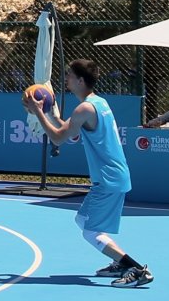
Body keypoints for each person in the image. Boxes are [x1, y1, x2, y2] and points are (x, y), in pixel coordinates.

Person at [25, 59, 153, 288]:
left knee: (90, 231)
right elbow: (71, 133)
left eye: (69, 75)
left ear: (81, 80)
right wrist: (51, 114)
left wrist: (37, 112)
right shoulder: (98, 103)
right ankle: (120, 262)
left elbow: (57, 138)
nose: (66, 79)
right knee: (82, 219)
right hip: (113, 176)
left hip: (108, 179)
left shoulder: (84, 108)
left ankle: (135, 268)